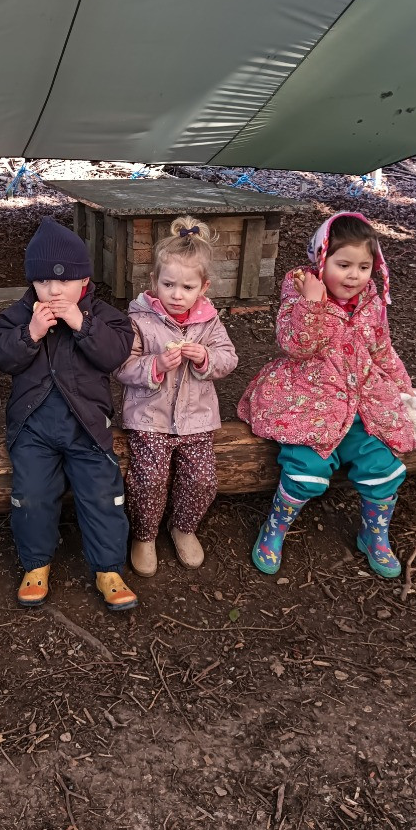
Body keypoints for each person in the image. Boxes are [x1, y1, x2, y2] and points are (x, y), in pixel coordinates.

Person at [237, 211, 416, 579]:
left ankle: (375, 536)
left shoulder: (371, 301)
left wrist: (403, 386)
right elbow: (297, 346)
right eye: (343, 264)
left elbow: (382, 349)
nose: (354, 275)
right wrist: (312, 303)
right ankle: (275, 528)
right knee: (308, 468)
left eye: (364, 266)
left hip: (362, 400)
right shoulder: (302, 289)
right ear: (322, 258)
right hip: (308, 398)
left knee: (383, 467)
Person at [0, 217, 138, 612]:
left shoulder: (106, 316)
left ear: (83, 280)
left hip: (87, 427)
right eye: (41, 282)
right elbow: (0, 356)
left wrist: (82, 324)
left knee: (103, 495)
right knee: (31, 496)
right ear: (31, 282)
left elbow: (114, 353)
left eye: (63, 281)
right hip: (33, 428)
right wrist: (30, 334)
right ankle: (36, 565)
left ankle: (108, 568)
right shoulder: (19, 315)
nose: (52, 290)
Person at [114, 216, 238, 578]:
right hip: (149, 416)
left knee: (201, 478)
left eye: (187, 286)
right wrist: (155, 364)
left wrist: (206, 358)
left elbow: (229, 358)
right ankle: (145, 534)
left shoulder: (209, 322)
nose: (177, 294)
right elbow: (121, 366)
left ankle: (184, 527)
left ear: (204, 286)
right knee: (148, 479)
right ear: (154, 282)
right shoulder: (138, 319)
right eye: (168, 284)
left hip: (197, 417)